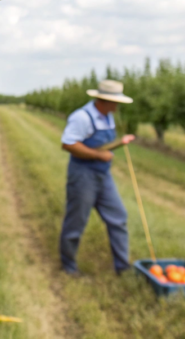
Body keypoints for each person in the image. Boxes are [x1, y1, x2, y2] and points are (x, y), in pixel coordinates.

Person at [59, 79, 136, 276]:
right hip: (83, 175)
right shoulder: (82, 117)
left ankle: (122, 267)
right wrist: (98, 155)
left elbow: (102, 147)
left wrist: (120, 143)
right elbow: (68, 144)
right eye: (115, 101)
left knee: (118, 217)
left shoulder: (108, 116)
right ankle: (68, 266)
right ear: (103, 100)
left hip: (103, 175)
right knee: (76, 221)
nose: (117, 106)